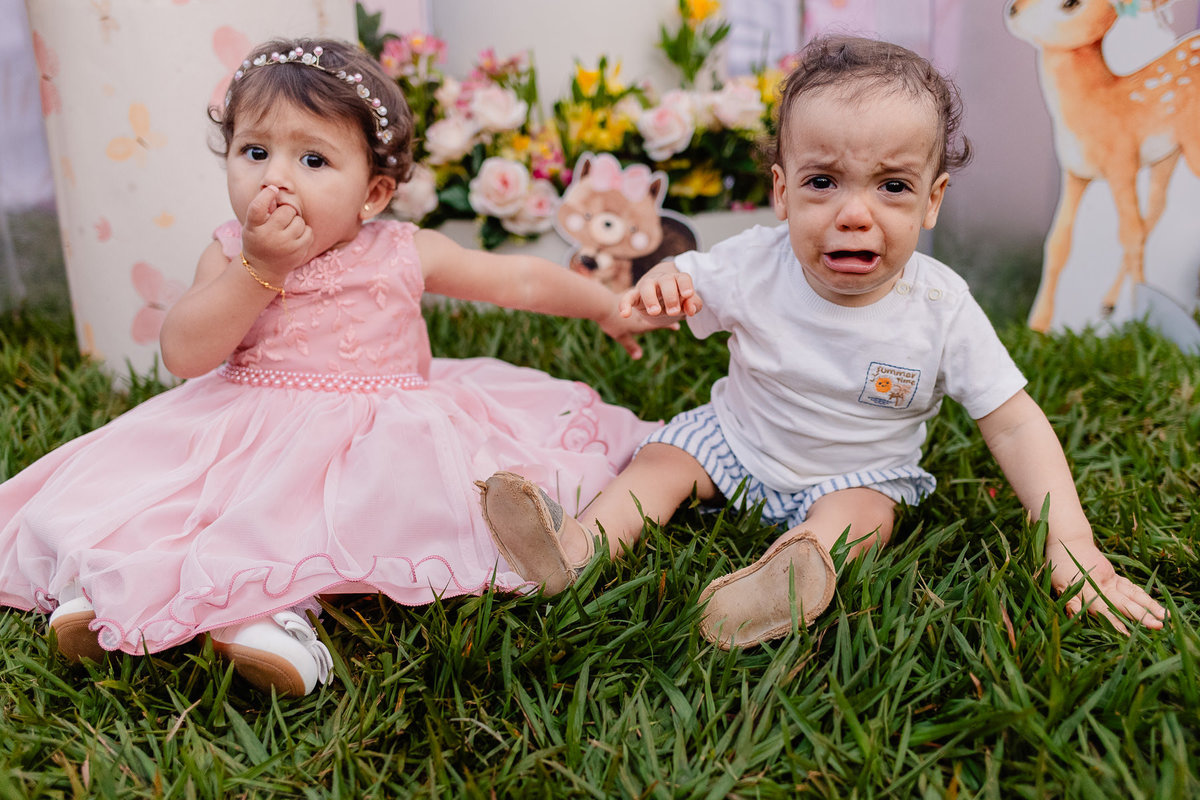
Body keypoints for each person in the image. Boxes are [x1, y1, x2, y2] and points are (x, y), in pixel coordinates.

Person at [0, 37, 668, 695]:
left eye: (313, 159)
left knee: (308, 519)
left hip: (380, 434)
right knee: (190, 506)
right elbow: (185, 352)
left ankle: (274, 620)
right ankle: (111, 586)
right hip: (248, 429)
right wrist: (257, 270)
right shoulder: (232, 252)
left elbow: (517, 281)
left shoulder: (404, 249)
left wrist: (605, 305)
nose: (276, 178)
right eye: (254, 152)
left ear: (373, 194)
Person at [477, 35, 1167, 649]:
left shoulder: (941, 308)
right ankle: (577, 547)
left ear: (932, 199)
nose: (854, 214)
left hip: (860, 471)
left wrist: (1072, 542)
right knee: (661, 459)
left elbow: (1015, 424)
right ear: (782, 192)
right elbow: (681, 284)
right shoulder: (753, 263)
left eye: (892, 185)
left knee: (862, 517)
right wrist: (658, 291)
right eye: (823, 182)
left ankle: (791, 570)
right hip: (736, 441)